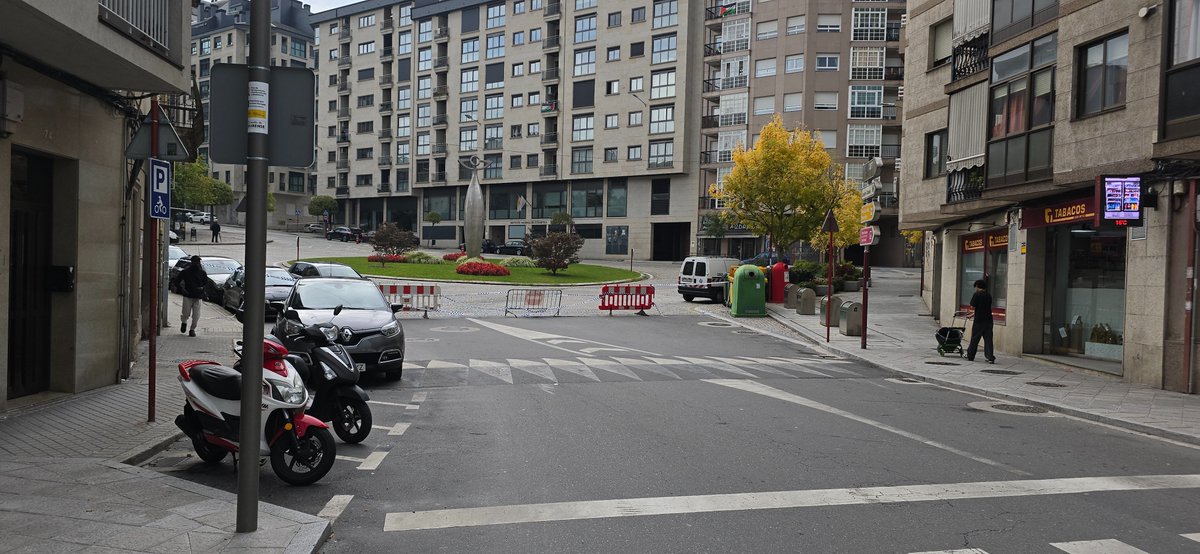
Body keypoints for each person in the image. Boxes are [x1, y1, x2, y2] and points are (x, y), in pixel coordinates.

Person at [171, 255, 207, 337]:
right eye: (196, 262)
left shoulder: (202, 273)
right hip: (188, 295)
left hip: (198, 296)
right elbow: (176, 282)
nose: (197, 263)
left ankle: (192, 329)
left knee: (196, 315)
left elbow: (206, 283)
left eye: (198, 262)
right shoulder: (186, 272)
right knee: (186, 313)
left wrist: (202, 289)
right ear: (192, 262)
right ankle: (184, 322)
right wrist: (182, 289)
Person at [966, 279, 996, 363]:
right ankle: (990, 357)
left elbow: (973, 306)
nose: (975, 288)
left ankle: (970, 355)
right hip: (989, 321)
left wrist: (971, 314)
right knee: (988, 340)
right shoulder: (988, 295)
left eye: (975, 287)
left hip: (979, 321)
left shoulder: (976, 295)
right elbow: (984, 309)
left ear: (977, 286)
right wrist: (973, 314)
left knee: (975, 339)